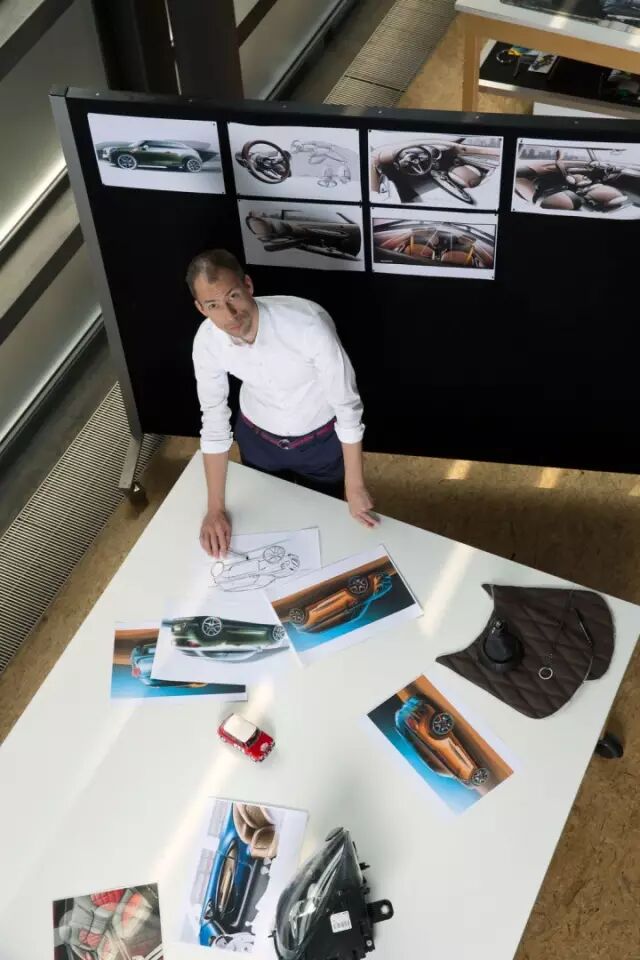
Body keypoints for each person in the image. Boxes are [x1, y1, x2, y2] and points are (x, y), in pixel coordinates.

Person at [187, 248, 378, 558]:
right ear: (201, 308)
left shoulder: (308, 326)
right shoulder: (207, 341)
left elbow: (347, 408)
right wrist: (215, 510)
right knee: (269, 521)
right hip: (258, 442)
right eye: (213, 305)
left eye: (233, 296)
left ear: (248, 285)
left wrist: (354, 486)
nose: (229, 315)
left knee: (323, 522)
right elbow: (214, 421)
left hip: (320, 443)